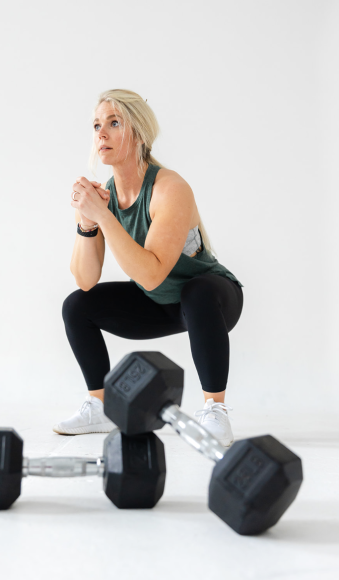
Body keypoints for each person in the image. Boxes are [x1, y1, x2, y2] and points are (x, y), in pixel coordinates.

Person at [54, 89, 244, 447]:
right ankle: (100, 405)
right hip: (159, 303)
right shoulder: (107, 194)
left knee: (197, 291)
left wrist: (104, 217)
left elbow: (152, 273)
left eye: (114, 123)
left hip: (212, 301)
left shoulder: (170, 188)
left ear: (139, 134)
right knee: (76, 305)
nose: (101, 134)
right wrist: (87, 222)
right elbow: (85, 279)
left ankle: (215, 411)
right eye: (97, 125)